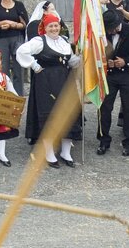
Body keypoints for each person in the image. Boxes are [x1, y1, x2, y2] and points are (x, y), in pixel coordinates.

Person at [16, 13, 82, 167]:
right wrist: (34, 65)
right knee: (49, 115)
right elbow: (21, 51)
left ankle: (66, 152)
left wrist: (82, 57)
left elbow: (70, 61)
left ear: (60, 27)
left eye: (56, 25)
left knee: (68, 115)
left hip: (65, 80)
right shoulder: (39, 41)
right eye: (50, 26)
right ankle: (49, 152)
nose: (54, 28)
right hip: (46, 82)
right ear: (45, 28)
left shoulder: (64, 42)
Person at [97, 9, 129, 157]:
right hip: (109, 76)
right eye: (108, 29)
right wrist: (106, 62)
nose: (110, 31)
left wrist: (125, 62)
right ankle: (103, 140)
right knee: (104, 107)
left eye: (112, 28)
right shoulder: (103, 33)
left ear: (118, 23)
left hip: (128, 75)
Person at [0, 0, 29, 97]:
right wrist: (2, 23)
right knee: (3, 69)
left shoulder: (19, 5)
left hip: (17, 39)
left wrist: (12, 24)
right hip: (1, 39)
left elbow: (25, 24)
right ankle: (5, 97)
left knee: (18, 69)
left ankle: (18, 97)